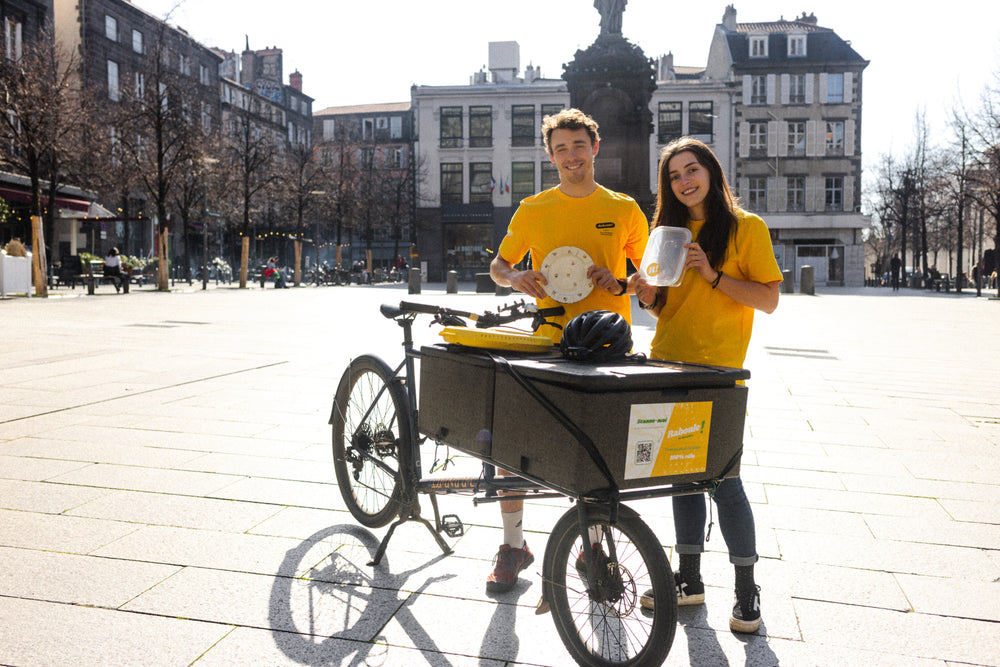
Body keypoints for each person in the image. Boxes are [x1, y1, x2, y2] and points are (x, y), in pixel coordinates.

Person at [487, 108, 649, 593]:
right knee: (511, 441)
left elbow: (651, 278)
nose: (571, 155)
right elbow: (499, 265)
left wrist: (619, 281)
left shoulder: (624, 210)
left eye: (579, 146)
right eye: (561, 148)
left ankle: (593, 547)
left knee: (598, 448)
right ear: (550, 154)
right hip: (547, 339)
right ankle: (514, 544)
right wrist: (516, 276)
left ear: (594, 148)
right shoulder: (534, 209)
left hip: (607, 342)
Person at [633, 137, 782, 633]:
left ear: (712, 173)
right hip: (670, 365)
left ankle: (745, 592)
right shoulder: (666, 234)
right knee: (681, 477)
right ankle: (688, 580)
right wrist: (647, 296)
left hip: (719, 372)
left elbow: (767, 300)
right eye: (674, 175)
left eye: (691, 169)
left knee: (724, 480)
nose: (684, 181)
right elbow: (664, 310)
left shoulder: (746, 228)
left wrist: (713, 276)